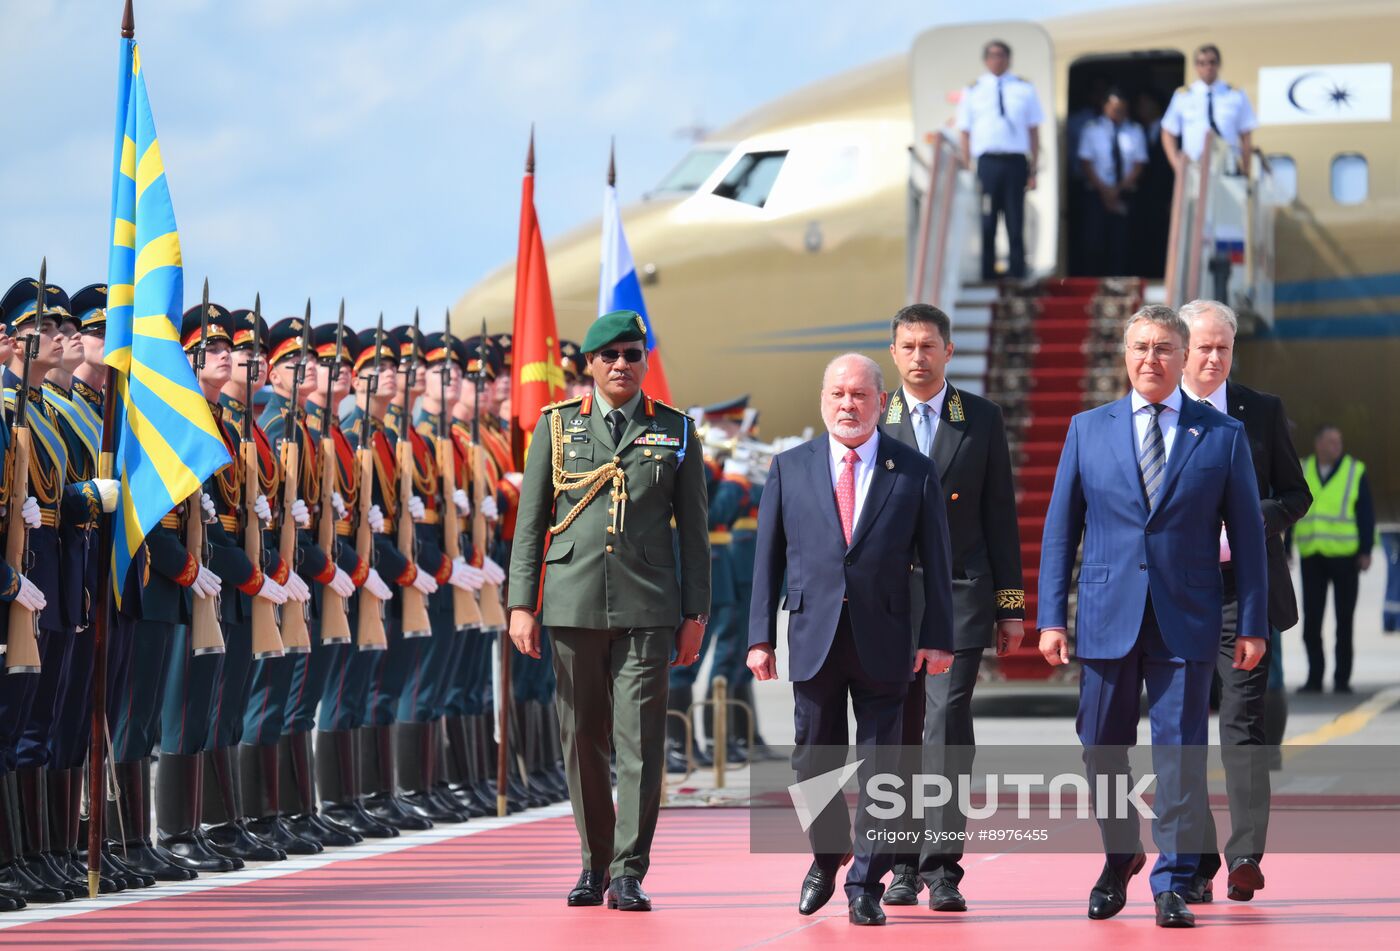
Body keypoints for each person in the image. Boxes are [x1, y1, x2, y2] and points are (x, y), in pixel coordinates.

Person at [1038, 304, 1268, 929]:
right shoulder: (1088, 429)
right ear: (1125, 354)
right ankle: (1120, 859)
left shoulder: (1221, 436)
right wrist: (1050, 618)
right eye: (1140, 347)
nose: (1151, 359)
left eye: (1164, 348)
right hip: (1108, 616)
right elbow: (1061, 531)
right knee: (1101, 750)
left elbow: (1249, 538)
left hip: (1185, 619)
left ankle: (1170, 880)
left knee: (1180, 755)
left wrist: (1252, 623)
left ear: (1183, 355)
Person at [508, 309, 710, 913]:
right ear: (589, 365)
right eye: (609, 356)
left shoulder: (674, 429)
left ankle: (628, 870)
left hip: (649, 606)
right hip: (571, 603)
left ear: (644, 361)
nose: (621, 365)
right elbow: (531, 523)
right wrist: (522, 603)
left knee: (641, 742)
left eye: (632, 354)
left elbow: (694, 533)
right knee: (580, 738)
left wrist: (694, 614)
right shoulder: (557, 425)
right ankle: (593, 863)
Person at [748, 353, 954, 927]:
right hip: (814, 635)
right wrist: (760, 637)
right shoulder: (790, 467)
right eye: (838, 394)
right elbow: (767, 562)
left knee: (883, 767)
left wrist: (939, 637)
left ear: (879, 402)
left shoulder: (912, 471)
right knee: (813, 759)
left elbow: (937, 563)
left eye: (860, 395)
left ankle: (865, 879)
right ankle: (824, 855)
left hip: (887, 637)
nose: (848, 404)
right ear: (822, 399)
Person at [878, 304, 1023, 912]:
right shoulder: (871, 416)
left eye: (928, 346)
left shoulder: (980, 420)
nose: (918, 356)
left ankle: (942, 868)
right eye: (908, 346)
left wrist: (1009, 605)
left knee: (944, 727)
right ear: (894, 354)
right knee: (898, 736)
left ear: (948, 351)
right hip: (888, 600)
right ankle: (900, 866)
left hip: (959, 593)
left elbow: (1000, 516)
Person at [1177, 299, 1311, 904]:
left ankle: (1246, 855)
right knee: (1180, 731)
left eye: (1222, 349)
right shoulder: (1158, 412)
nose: (1212, 358)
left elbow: (1295, 494)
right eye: (1203, 347)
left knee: (1243, 725)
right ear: (1182, 349)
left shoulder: (1261, 411)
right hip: (1176, 594)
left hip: (1243, 594)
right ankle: (1197, 859)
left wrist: (1247, 522)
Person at [1296, 424, 1374, 694]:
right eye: (1331, 442)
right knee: (1311, 621)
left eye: (1339, 442)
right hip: (1313, 555)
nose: (1336, 447)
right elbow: (1290, 507)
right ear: (1318, 444)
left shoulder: (1355, 470)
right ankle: (1314, 678)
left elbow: (1366, 513)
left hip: (1345, 558)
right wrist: (1284, 549)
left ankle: (1342, 679)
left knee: (1344, 621)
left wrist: (1366, 550)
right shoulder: (1303, 468)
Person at [956, 39, 1043, 281]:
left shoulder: (1024, 88)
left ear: (1009, 58)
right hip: (987, 163)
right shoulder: (973, 90)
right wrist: (967, 166)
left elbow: (1034, 130)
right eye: (993, 56)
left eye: (1002, 55)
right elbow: (965, 131)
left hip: (1015, 161)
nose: (998, 60)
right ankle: (988, 271)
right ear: (986, 60)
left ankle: (1017, 270)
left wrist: (1033, 167)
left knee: (1015, 218)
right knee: (988, 219)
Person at [1078, 90, 1148, 277]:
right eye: (1114, 108)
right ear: (1105, 107)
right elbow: (1086, 163)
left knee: (1122, 243)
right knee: (1095, 241)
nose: (1117, 113)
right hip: (1097, 193)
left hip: (1124, 192)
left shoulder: (1135, 130)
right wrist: (1105, 191)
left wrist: (1117, 190)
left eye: (1122, 109)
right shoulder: (1091, 129)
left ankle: (1120, 281)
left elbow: (1139, 163)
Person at [1162, 44, 1257, 176]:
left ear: (1219, 65)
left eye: (1212, 62)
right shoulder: (1183, 96)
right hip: (1194, 168)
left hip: (1227, 167)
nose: (1208, 67)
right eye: (1202, 63)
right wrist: (1177, 165)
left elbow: (1246, 134)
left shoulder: (1235, 94)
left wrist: (1246, 169)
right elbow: (1168, 131)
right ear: (1196, 66)